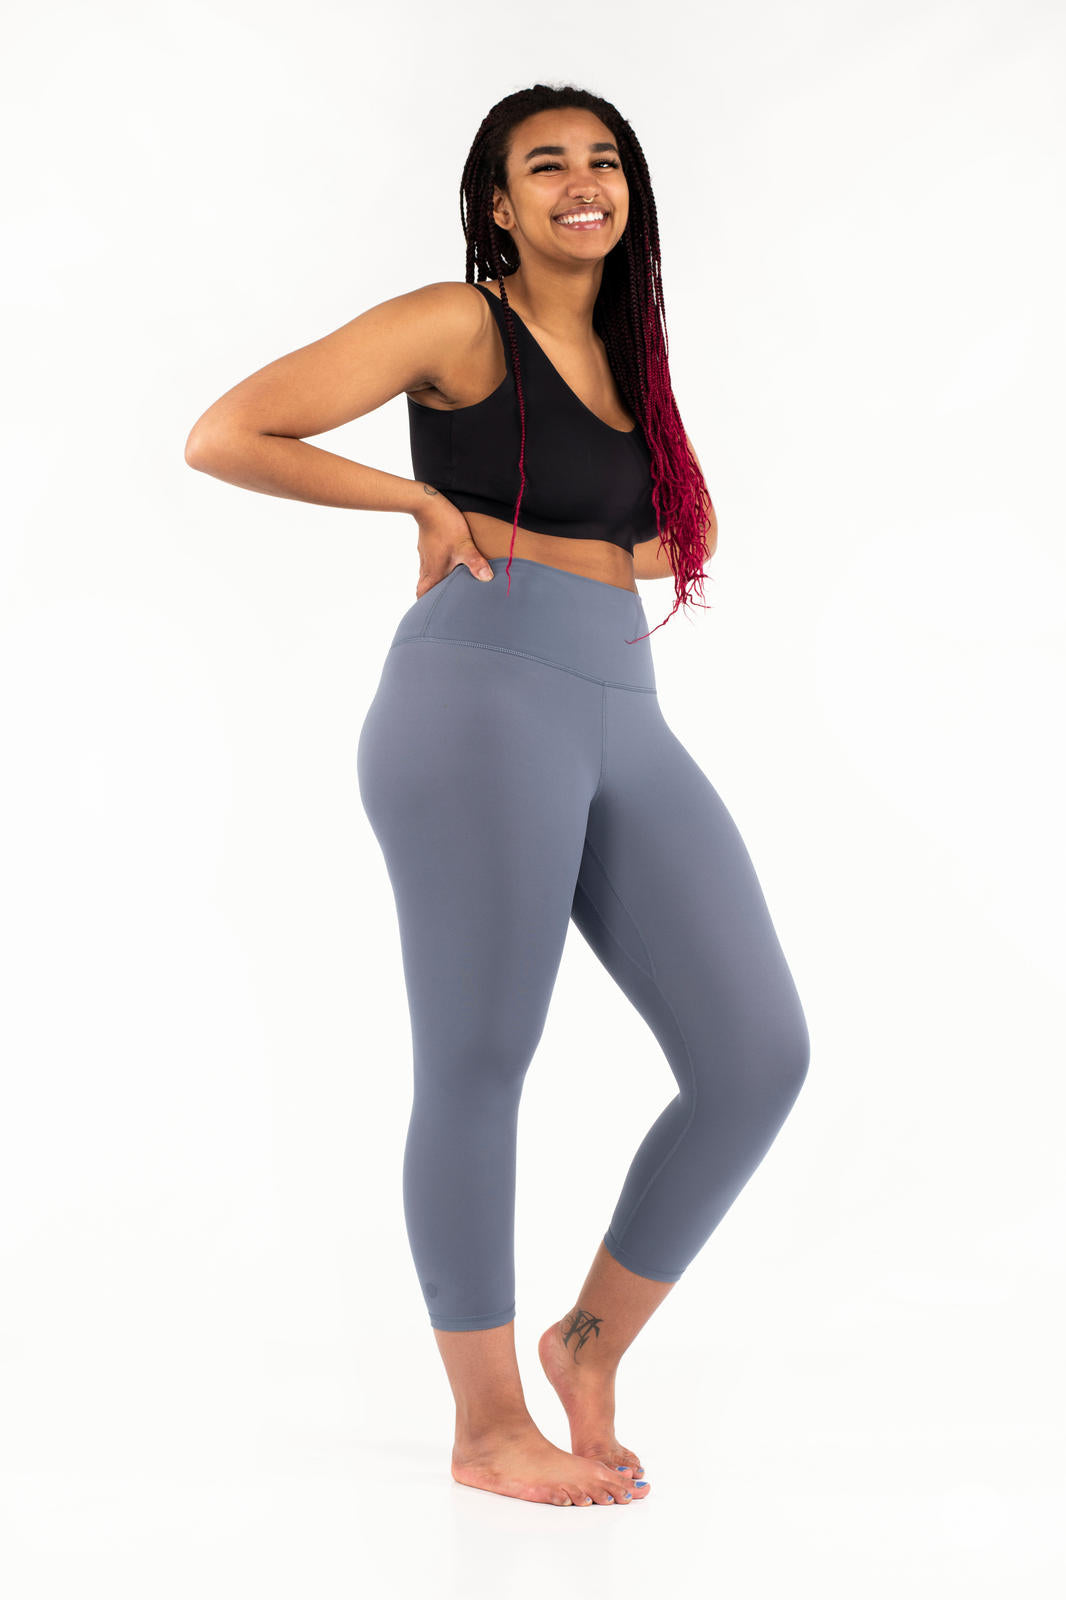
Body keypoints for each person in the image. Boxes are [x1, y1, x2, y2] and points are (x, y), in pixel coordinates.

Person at [185, 84, 810, 1511]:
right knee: (481, 1058)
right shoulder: (462, 323)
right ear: (498, 203)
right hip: (478, 699)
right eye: (548, 165)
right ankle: (485, 1428)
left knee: (757, 1053)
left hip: (624, 709)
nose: (583, 183)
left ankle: (588, 1340)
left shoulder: (625, 353)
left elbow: (672, 541)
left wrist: (598, 534)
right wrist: (419, 503)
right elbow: (228, 432)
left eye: (604, 161)